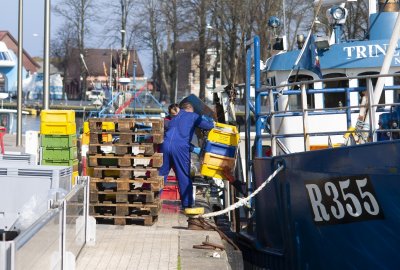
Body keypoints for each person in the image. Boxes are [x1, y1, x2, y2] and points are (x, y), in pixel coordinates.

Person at [160, 102, 214, 209]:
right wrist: (212, 123)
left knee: (161, 174)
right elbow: (209, 126)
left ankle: (153, 198)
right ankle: (187, 203)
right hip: (180, 148)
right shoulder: (192, 116)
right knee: (183, 175)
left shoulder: (173, 118)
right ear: (190, 109)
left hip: (165, 146)